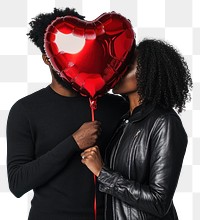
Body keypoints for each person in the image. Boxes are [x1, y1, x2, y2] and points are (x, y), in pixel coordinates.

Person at [6, 8, 129, 220]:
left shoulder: (116, 105)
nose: (74, 58)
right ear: (47, 58)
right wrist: (73, 142)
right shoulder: (25, 110)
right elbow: (18, 183)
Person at [81, 39, 193, 220]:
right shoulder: (125, 121)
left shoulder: (164, 122)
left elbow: (159, 202)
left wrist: (103, 173)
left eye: (128, 65)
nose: (118, 71)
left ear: (149, 72)